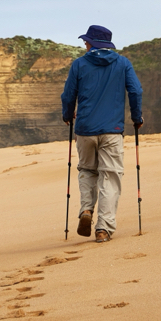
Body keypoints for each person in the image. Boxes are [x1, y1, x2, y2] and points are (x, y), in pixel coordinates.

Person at [61, 25, 143, 243]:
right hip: (112, 130)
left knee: (87, 170)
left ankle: (87, 210)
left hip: (85, 129)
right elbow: (135, 91)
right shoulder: (123, 63)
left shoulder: (79, 64)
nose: (84, 45)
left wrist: (67, 115)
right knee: (110, 175)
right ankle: (103, 229)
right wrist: (137, 118)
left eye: (86, 41)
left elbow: (68, 94)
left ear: (93, 43)